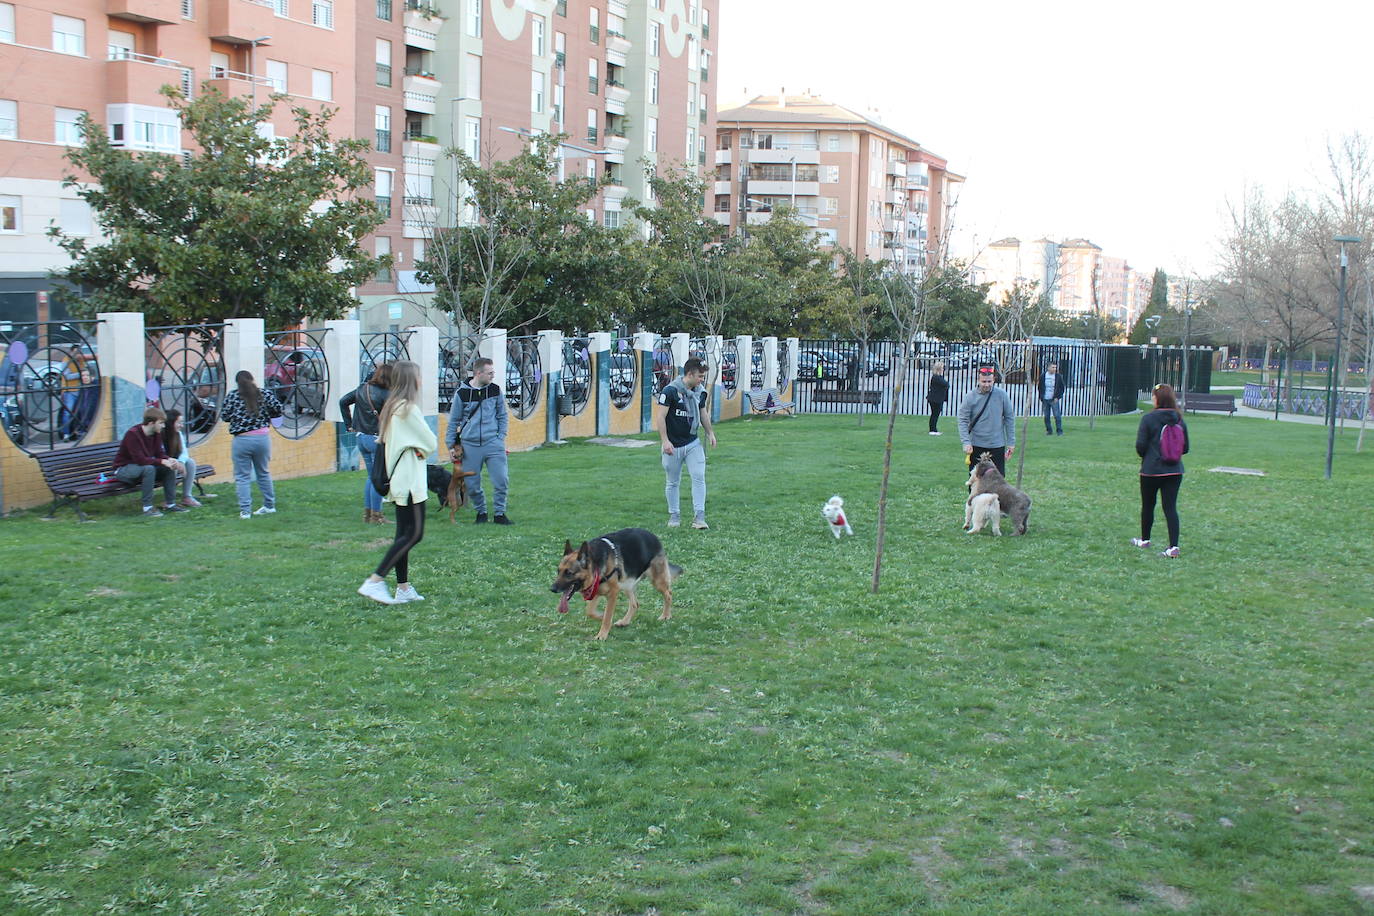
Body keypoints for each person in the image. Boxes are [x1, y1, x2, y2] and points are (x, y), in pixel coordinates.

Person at [359, 360, 436, 605]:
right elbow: (430, 442)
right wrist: (420, 448)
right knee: (414, 534)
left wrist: (417, 447)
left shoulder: (392, 407)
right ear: (411, 381)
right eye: (419, 377)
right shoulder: (407, 409)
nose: (421, 381)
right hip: (410, 479)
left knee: (403, 534)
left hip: (399, 478)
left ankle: (403, 587)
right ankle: (375, 580)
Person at [445, 357, 511, 525]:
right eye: (490, 373)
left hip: (493, 443)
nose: (492, 376)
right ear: (478, 373)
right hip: (470, 445)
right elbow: (453, 421)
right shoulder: (462, 393)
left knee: (501, 480)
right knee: (472, 484)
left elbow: (502, 415)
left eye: (493, 373)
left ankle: (499, 514)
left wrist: (500, 436)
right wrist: (451, 446)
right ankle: (481, 512)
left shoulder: (495, 390)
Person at [656, 356, 716, 529]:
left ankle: (699, 518)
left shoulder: (700, 392)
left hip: (692, 443)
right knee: (673, 482)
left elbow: (702, 413)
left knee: (699, 476)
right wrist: (665, 441)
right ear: (690, 374)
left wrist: (710, 433)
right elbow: (660, 417)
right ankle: (674, 516)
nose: (702, 380)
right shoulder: (670, 391)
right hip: (672, 446)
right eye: (700, 377)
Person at [1134, 383, 1189, 559]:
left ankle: (1145, 539)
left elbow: (1140, 446)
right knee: (1170, 508)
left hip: (1151, 470)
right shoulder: (1179, 419)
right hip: (1174, 470)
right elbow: (1185, 447)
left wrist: (1148, 455)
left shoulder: (1148, 419)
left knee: (1148, 505)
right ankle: (1173, 546)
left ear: (1157, 398)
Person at [221, 370, 284, 520]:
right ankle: (269, 505)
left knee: (242, 476)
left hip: (242, 440)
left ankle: (245, 511)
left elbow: (225, 416)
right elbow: (278, 409)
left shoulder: (233, 396)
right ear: (252, 379)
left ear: (237, 383)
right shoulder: (264, 394)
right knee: (263, 472)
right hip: (262, 438)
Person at [340, 362, 391, 524]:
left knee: (371, 477)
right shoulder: (386, 394)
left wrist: (349, 424)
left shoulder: (363, 388)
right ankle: (377, 515)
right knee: (378, 478)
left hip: (361, 437)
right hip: (376, 438)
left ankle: (368, 514)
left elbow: (343, 401)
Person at [112, 406, 186, 517]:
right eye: (161, 423)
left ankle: (171, 504)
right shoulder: (133, 434)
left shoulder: (156, 434)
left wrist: (169, 460)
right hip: (124, 470)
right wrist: (161, 461)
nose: (163, 426)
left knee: (168, 467)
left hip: (141, 468)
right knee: (149, 469)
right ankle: (147, 508)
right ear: (151, 423)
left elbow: (159, 453)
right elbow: (140, 460)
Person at [957, 366, 1016, 478]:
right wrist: (966, 442)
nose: (987, 384)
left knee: (998, 481)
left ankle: (995, 497)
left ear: (994, 380)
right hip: (976, 445)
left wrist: (1011, 442)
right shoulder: (970, 397)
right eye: (984, 381)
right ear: (978, 380)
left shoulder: (1002, 395)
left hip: (997, 444)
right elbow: (962, 419)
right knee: (976, 481)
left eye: (989, 381)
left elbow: (1009, 418)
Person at [161, 408, 202, 508]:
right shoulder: (160, 434)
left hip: (174, 463)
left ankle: (187, 497)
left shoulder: (178, 434)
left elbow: (184, 453)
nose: (181, 425)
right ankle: (169, 500)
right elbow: (160, 454)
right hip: (161, 465)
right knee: (172, 466)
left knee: (190, 462)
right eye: (179, 422)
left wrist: (181, 462)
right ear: (170, 423)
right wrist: (175, 463)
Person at [1039, 360, 1066, 436]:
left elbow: (1062, 388)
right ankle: (1049, 431)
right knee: (1046, 416)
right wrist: (1041, 397)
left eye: (1055, 367)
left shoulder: (1058, 377)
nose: (1054, 369)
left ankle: (1059, 431)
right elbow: (1040, 387)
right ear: (1048, 368)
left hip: (1054, 399)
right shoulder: (1043, 376)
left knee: (1057, 416)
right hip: (1045, 399)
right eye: (1053, 367)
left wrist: (1057, 397)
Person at [927, 360, 948, 436]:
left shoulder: (938, 377)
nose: (943, 369)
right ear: (939, 369)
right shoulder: (936, 378)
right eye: (942, 368)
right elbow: (946, 384)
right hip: (935, 399)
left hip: (937, 399)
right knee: (935, 414)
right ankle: (932, 430)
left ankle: (934, 429)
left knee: (935, 414)